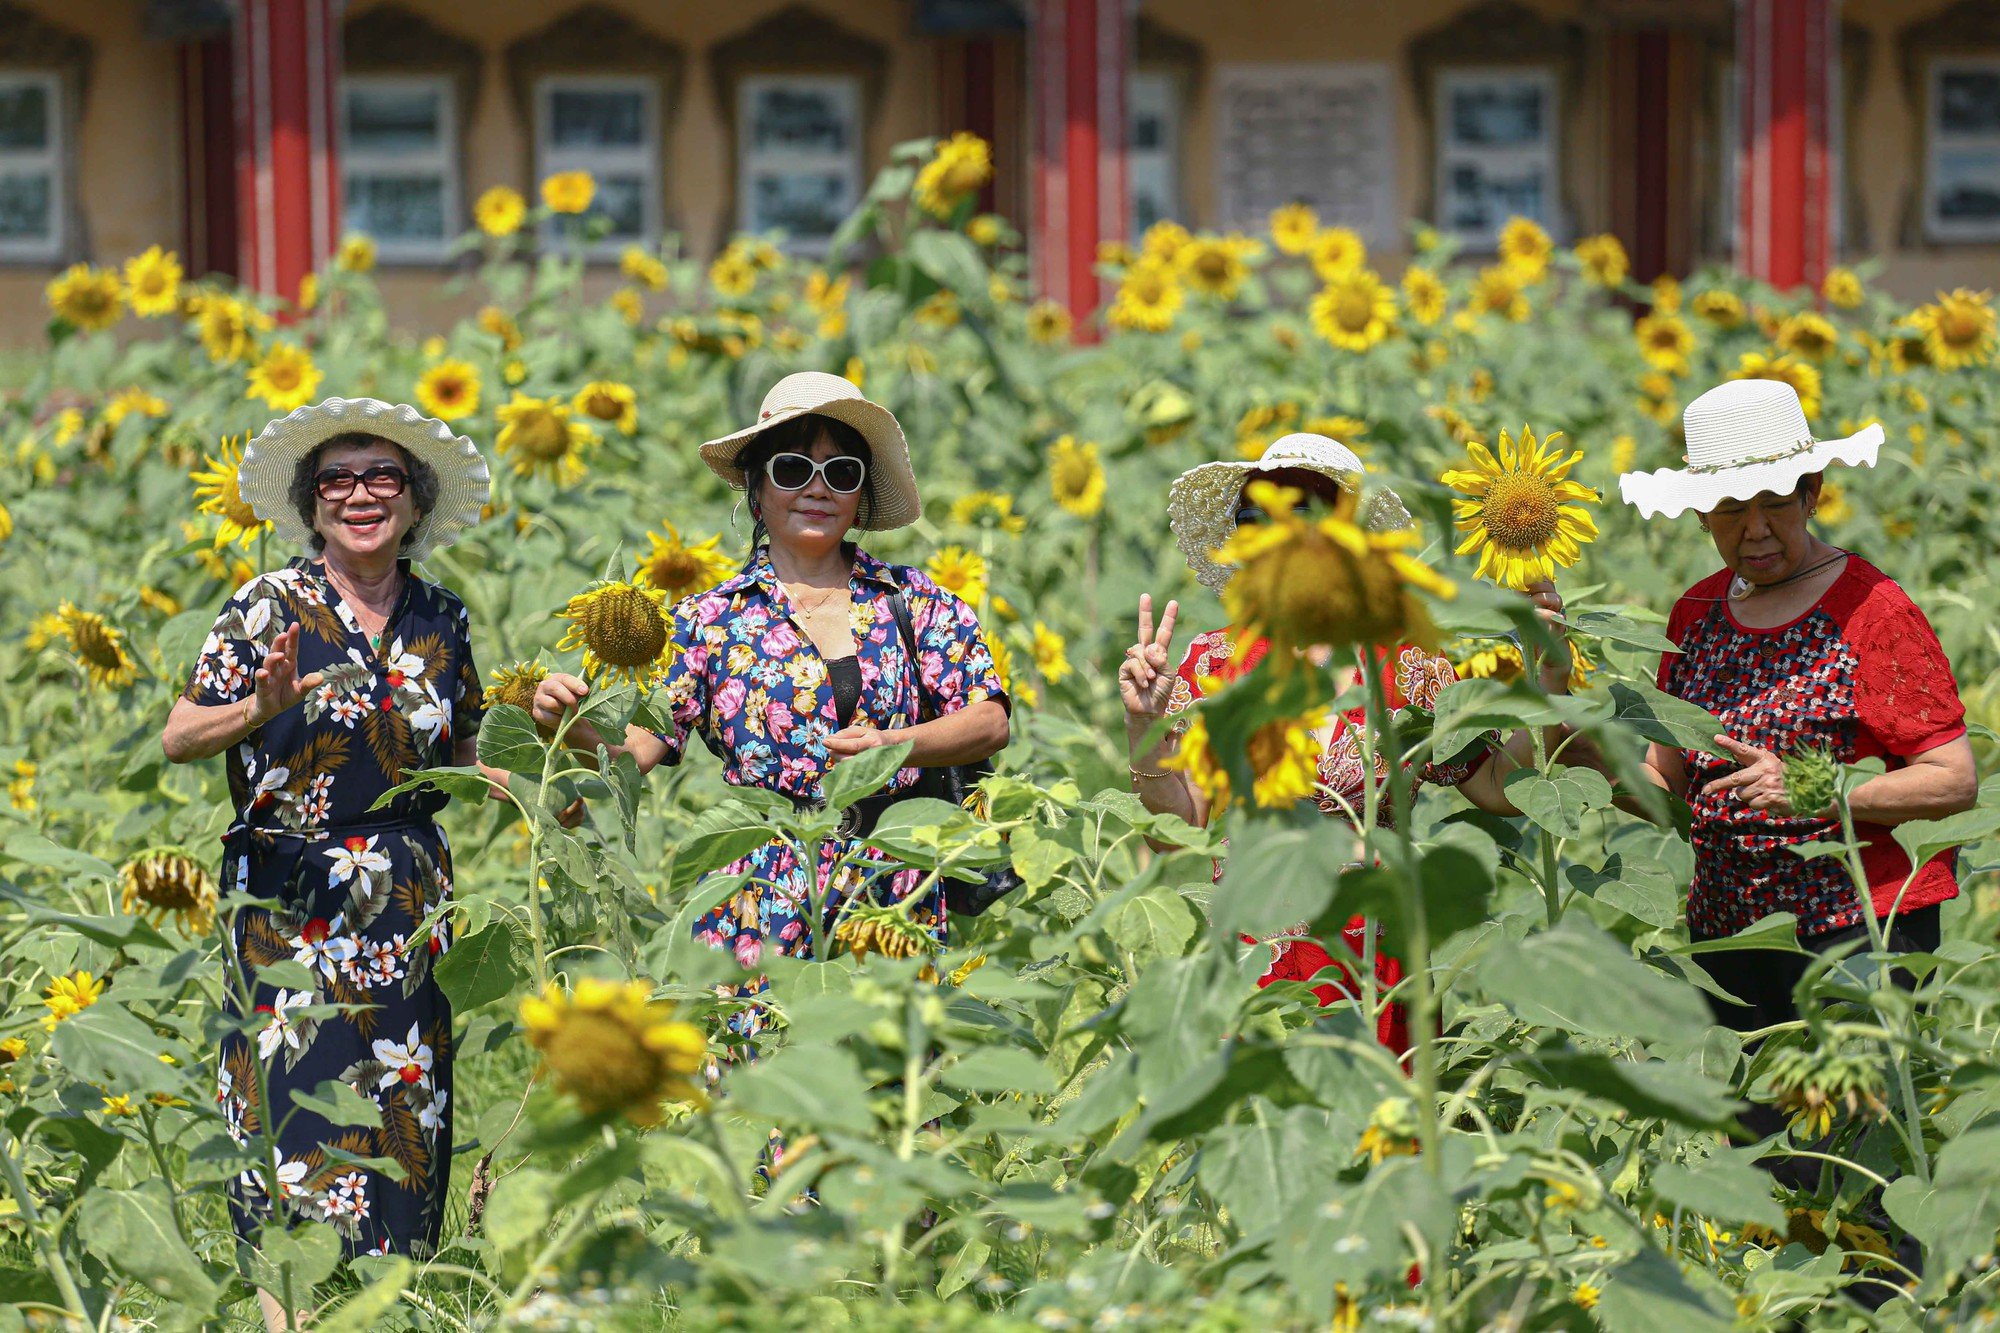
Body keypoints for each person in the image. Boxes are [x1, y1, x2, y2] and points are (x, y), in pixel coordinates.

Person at [531, 371, 1009, 1060]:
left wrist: (895, 746)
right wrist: (563, 727)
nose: (818, 487)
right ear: (755, 487)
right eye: (793, 467)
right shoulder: (708, 620)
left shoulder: (912, 599)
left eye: (840, 472)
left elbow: (989, 717)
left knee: (887, 1104)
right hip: (762, 894)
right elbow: (632, 751)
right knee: (768, 1097)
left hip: (892, 890)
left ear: (861, 494)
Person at [161, 398, 508, 1321]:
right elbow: (180, 733)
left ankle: (393, 1308)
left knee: (405, 1121)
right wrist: (253, 707)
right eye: (338, 480)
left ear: (414, 498)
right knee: (291, 1119)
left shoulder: (443, 618)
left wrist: (530, 773)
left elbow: (464, 746)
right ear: (312, 507)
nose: (361, 494)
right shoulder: (268, 605)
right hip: (289, 900)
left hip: (405, 906)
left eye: (382, 475)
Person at [1121, 433, 1568, 1052]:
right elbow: (1178, 823)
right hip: (1258, 960)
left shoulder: (1402, 661)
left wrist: (1547, 678)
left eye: (1301, 512)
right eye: (1255, 517)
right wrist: (1144, 731)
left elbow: (1498, 787)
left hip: (1377, 965)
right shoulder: (1214, 662)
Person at [1617, 379, 1978, 1031]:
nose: (1755, 528)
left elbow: (1953, 779)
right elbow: (1664, 776)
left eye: (1776, 503)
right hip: (1730, 939)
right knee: (1757, 1130)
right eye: (1730, 506)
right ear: (1701, 511)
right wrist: (1584, 752)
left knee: (1853, 1126)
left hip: (1857, 933)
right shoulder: (1694, 614)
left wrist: (1818, 790)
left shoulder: (1872, 612)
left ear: (1811, 493)